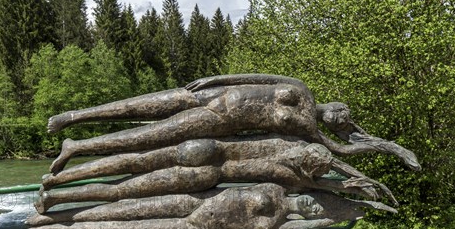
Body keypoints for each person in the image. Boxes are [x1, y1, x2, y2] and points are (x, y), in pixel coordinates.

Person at [46, 74, 421, 174]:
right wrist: (217, 79)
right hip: (214, 95)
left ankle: (76, 148)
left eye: (345, 119)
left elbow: (343, 149)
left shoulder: (311, 132)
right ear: (335, 104)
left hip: (217, 122)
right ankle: (74, 118)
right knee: (138, 105)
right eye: (342, 110)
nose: (341, 116)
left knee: (148, 137)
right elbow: (261, 76)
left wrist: (392, 148)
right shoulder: (302, 91)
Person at [34, 141, 397, 214]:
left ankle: (56, 184)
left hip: (205, 150)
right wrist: (359, 186)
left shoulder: (288, 144)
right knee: (125, 191)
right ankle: (55, 196)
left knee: (132, 163)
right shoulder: (300, 177)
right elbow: (334, 183)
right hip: (209, 173)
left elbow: (334, 164)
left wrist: (356, 179)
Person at [26, 183, 396, 229]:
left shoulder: (280, 224)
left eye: (315, 210)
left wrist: (340, 215)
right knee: (123, 208)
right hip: (195, 201)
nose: (311, 205)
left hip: (197, 227)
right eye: (316, 200)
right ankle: (52, 213)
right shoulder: (277, 188)